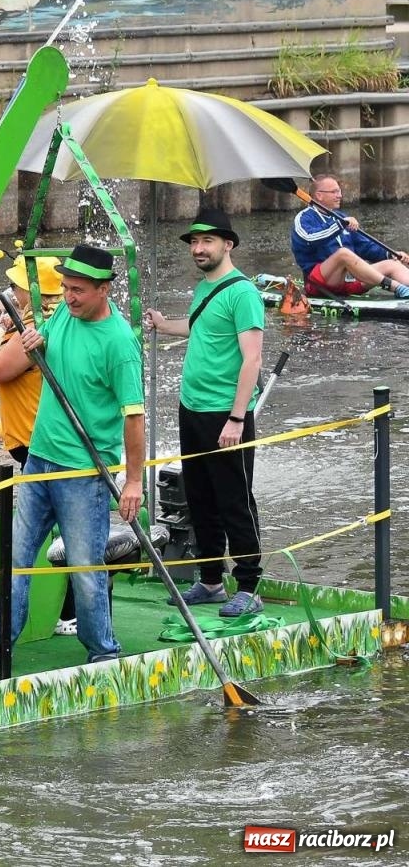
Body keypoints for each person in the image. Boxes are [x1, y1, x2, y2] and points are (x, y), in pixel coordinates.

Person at [0, 244, 143, 677]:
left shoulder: (120, 343)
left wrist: (134, 482)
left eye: (78, 290)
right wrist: (36, 341)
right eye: (64, 288)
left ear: (104, 290)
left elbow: (134, 418)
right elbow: (40, 346)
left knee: (84, 568)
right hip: (39, 460)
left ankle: (102, 652)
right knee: (15, 557)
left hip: (84, 472)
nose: (68, 297)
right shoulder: (64, 312)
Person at [143, 209, 266, 617]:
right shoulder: (203, 288)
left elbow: (252, 360)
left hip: (225, 415)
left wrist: (236, 418)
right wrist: (163, 324)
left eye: (207, 241)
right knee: (199, 497)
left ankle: (249, 585)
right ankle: (211, 579)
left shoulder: (243, 292)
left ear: (227, 244)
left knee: (235, 500)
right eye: (194, 242)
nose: (198, 249)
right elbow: (200, 328)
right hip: (192, 409)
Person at [0, 255, 62, 466]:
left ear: (31, 289)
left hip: (36, 439)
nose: (12, 291)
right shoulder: (58, 318)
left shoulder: (36, 326)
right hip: (42, 437)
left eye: (15, 285)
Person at [289, 174, 409, 298]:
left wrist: (390, 254)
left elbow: (366, 246)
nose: (339, 195)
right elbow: (310, 238)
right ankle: (396, 287)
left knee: (393, 264)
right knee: (343, 254)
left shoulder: (340, 216)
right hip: (319, 285)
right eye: (334, 192)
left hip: (350, 282)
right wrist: (339, 225)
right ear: (319, 195)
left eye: (339, 191)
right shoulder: (304, 218)